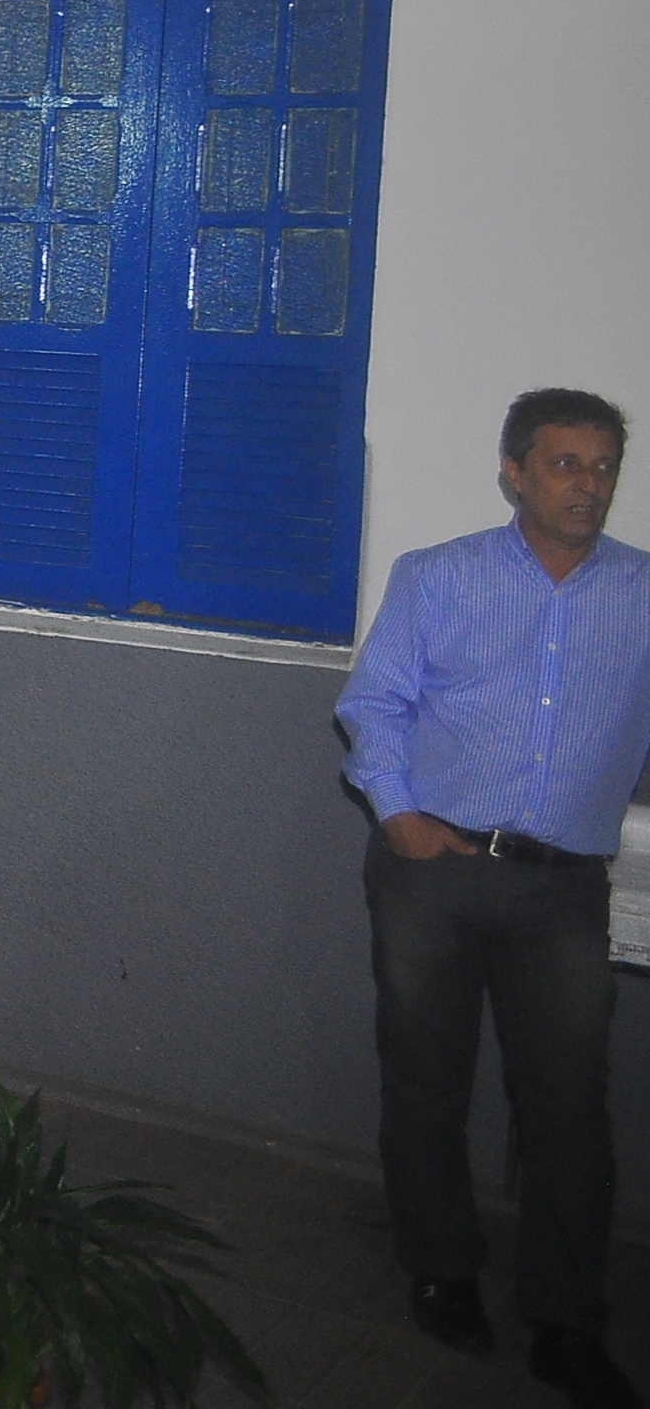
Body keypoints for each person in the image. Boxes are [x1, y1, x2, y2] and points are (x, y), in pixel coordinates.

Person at [337, 389, 650, 1409]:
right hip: (436, 870)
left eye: (602, 466)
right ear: (515, 473)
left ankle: (566, 1319)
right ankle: (442, 1271)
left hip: (564, 889)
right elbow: (374, 703)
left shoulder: (642, 593)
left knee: (569, 1106)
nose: (586, 484)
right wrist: (397, 814)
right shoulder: (440, 576)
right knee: (427, 1081)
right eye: (564, 464)